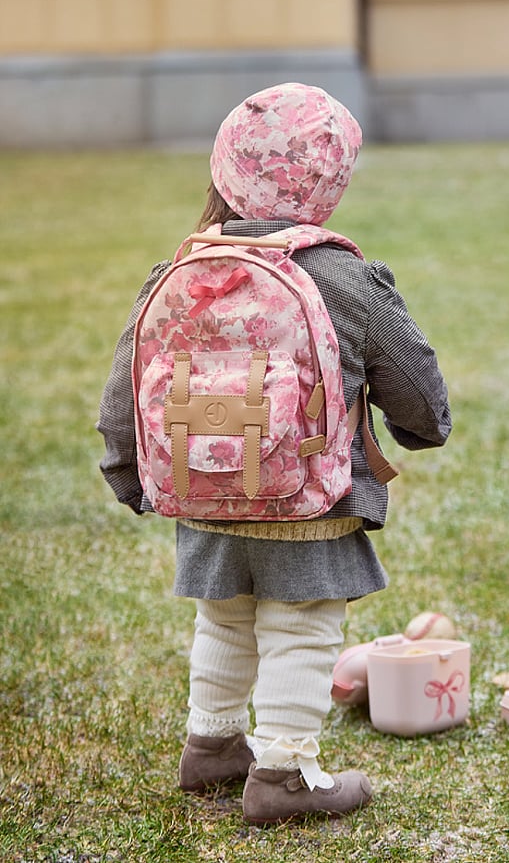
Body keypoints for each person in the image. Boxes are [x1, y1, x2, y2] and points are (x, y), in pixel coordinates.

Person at [97, 82, 452, 824]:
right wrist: (423, 430)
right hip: (308, 501)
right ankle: (284, 773)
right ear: (330, 185)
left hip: (205, 497)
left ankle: (213, 746)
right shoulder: (345, 278)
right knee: (303, 624)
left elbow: (125, 389)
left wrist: (128, 474)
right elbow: (413, 384)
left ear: (225, 169)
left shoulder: (178, 273)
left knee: (224, 618)